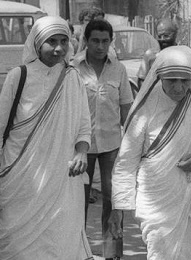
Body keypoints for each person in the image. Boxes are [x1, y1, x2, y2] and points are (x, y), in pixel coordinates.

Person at [108, 45, 191, 259]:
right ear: (159, 77)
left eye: (185, 81)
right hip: (158, 198)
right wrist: (118, 207)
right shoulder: (145, 109)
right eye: (171, 80)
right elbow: (126, 161)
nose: (178, 87)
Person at [0, 16, 93, 259]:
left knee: (60, 248)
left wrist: (81, 151)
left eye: (64, 41)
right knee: (19, 250)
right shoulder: (18, 76)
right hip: (18, 184)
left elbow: (84, 127)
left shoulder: (73, 79)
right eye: (51, 41)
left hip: (60, 184)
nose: (58, 48)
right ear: (37, 43)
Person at [71, 19, 133, 259]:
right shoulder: (72, 69)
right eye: (95, 40)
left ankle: (112, 254)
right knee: (78, 202)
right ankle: (77, 251)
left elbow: (127, 109)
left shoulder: (119, 69)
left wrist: (135, 144)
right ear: (86, 41)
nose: (100, 46)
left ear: (110, 42)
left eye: (105, 41)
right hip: (80, 147)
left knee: (114, 201)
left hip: (111, 147)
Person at [136, 18, 178, 89]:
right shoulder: (150, 55)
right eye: (159, 36)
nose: (162, 39)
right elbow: (141, 81)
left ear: (175, 35)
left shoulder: (183, 54)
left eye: (166, 36)